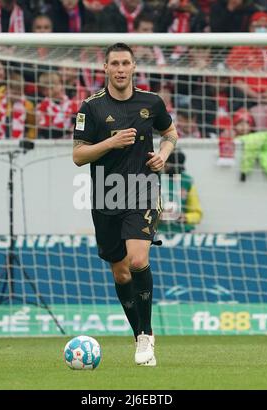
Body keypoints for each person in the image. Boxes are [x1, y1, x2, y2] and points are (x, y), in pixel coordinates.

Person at [73, 43, 178, 366]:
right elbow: (78, 156)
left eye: (126, 63)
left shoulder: (151, 102)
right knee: (120, 275)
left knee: (137, 260)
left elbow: (170, 133)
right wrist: (110, 142)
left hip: (143, 189)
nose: (120, 69)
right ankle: (139, 336)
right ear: (105, 68)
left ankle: (146, 335)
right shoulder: (90, 108)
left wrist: (163, 155)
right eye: (114, 63)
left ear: (134, 68)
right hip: (106, 196)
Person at [0, 71, 36, 140]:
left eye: (19, 94)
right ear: (7, 89)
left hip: (19, 144)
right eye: (14, 93)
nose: (16, 97)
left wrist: (29, 138)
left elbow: (33, 125)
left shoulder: (28, 105)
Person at [158, 151, 203, 233]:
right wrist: (156, 216)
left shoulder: (187, 181)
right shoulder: (154, 179)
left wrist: (184, 217)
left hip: (183, 232)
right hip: (157, 232)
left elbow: (197, 215)